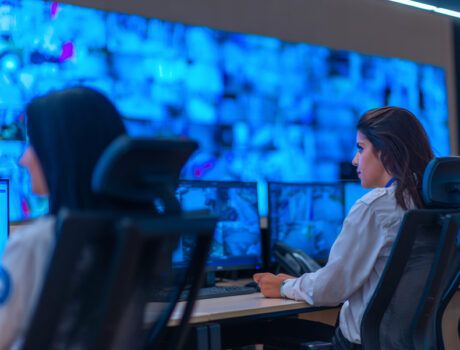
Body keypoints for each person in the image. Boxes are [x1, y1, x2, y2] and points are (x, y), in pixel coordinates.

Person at [253, 106, 434, 348]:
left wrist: (284, 286)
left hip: (361, 344)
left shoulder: (375, 206)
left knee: (267, 330)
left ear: (386, 152)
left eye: (361, 148)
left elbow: (331, 289)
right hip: (409, 343)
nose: (354, 160)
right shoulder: (431, 205)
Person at [0, 86, 127, 349]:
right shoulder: (128, 234)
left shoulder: (38, 242)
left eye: (34, 145)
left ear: (61, 153)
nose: (23, 159)